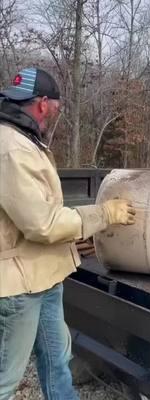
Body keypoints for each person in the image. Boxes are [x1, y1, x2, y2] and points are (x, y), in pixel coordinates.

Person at [0, 67, 136, 400]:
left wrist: (75, 240)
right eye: (56, 109)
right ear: (43, 104)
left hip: (44, 276)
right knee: (6, 377)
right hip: (19, 284)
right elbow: (42, 223)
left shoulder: (22, 138)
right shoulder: (11, 149)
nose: (55, 117)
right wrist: (103, 214)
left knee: (57, 359)